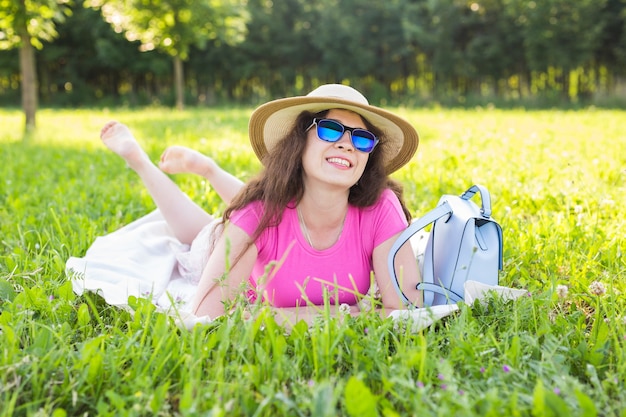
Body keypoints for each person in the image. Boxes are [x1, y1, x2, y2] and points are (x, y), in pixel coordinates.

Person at [76, 84, 422, 326]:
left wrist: (276, 319)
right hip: (237, 239)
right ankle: (140, 161)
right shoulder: (256, 213)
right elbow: (206, 314)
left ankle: (208, 169)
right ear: (299, 141)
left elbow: (408, 311)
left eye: (362, 138)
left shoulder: (380, 207)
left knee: (255, 209)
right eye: (331, 130)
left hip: (268, 223)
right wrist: (348, 315)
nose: (348, 145)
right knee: (199, 233)